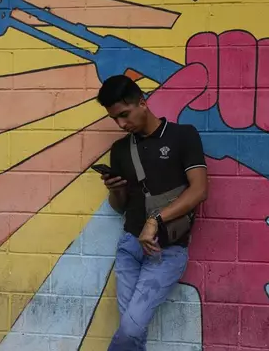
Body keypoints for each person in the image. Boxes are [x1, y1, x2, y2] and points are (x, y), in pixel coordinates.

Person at [95, 74, 208, 350]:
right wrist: (115, 188)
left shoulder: (183, 136)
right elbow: (119, 206)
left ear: (142, 103)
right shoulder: (120, 149)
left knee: (131, 327)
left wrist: (155, 220)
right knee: (132, 331)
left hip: (166, 251)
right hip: (129, 247)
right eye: (115, 120)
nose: (121, 125)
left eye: (124, 115)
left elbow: (199, 190)